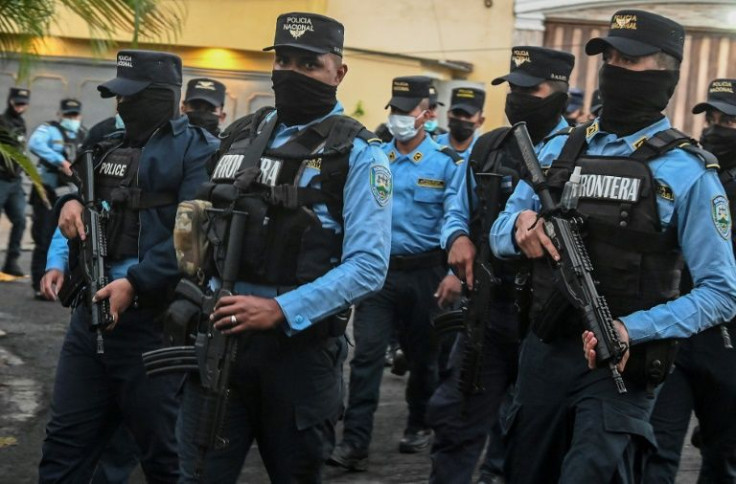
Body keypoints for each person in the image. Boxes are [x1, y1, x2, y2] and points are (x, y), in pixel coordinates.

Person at [492, 10, 736, 483]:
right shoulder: (559, 150)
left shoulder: (687, 171)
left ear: (667, 73)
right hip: (544, 351)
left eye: (632, 60)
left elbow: (721, 292)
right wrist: (519, 227)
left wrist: (632, 329)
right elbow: (503, 228)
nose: (615, 70)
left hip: (620, 362)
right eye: (611, 58)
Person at [175, 12, 393, 482]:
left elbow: (369, 266)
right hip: (220, 337)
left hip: (299, 354)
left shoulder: (359, 152)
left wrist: (280, 308)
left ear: (339, 72)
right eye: (284, 60)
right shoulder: (238, 135)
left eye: (309, 64)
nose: (291, 73)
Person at [38, 49, 218, 482]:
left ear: (163, 96)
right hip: (90, 317)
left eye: (132, 96)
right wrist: (69, 203)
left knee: (163, 452)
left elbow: (193, 234)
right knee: (64, 445)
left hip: (154, 323)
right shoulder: (105, 145)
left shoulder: (201, 151)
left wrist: (135, 283)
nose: (122, 105)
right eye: (119, 97)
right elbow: (80, 200)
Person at [429, 46, 574, 484]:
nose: (519, 96)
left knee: (533, 436)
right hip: (488, 310)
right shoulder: (489, 146)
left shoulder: (583, 151)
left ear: (561, 92)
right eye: (513, 87)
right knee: (456, 419)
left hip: (549, 320)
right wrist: (456, 239)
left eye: (532, 88)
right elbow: (456, 207)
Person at [329, 75, 463, 471]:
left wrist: (453, 273)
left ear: (429, 114)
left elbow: (458, 221)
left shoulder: (446, 164)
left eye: (409, 111)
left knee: (424, 360)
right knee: (367, 356)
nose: (400, 118)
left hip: (427, 275)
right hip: (379, 274)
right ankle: (354, 443)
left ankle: (419, 423)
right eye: (396, 110)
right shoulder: (374, 157)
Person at [642, 78, 736, 483]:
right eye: (711, 117)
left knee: (725, 456)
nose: (715, 128)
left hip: (730, 339)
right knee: (656, 449)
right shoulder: (690, 174)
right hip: (679, 327)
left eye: (728, 121)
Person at [28, 98, 86, 299]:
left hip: (68, 196)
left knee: (63, 237)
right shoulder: (48, 129)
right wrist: (61, 161)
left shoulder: (83, 134)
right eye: (68, 115)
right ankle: (39, 284)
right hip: (47, 193)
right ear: (60, 114)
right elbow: (35, 143)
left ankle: (60, 282)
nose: (72, 119)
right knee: (43, 237)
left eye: (74, 115)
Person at [0, 87, 30, 277]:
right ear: (10, 101)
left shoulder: (21, 123)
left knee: (20, 220)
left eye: (23, 104)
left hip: (15, 182)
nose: (20, 107)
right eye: (17, 103)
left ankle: (11, 262)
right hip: (0, 178)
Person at [435, 86, 486, 162]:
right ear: (448, 115)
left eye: (468, 115)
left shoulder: (485, 153)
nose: (462, 119)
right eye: (457, 113)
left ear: (480, 121)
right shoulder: (433, 146)